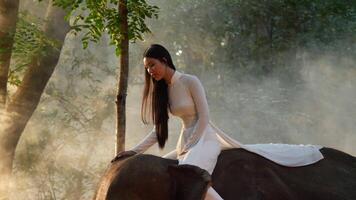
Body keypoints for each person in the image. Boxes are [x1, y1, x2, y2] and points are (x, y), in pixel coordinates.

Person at [112, 44, 324, 200]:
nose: (150, 71)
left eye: (152, 65)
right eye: (147, 68)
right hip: (184, 144)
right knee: (162, 173)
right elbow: (158, 130)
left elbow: (204, 117)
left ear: (164, 61)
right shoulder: (164, 92)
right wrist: (133, 152)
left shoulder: (190, 81)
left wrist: (192, 144)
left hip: (204, 139)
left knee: (189, 177)